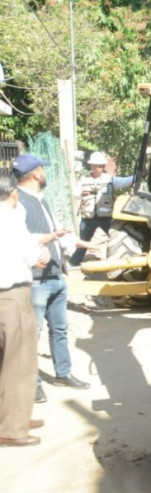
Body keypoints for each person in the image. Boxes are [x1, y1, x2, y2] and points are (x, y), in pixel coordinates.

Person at [13, 154, 92, 401]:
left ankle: (63, 373)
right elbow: (17, 239)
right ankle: (32, 383)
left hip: (55, 275)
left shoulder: (40, 201)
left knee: (59, 329)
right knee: (30, 335)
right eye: (42, 169)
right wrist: (48, 239)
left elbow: (60, 234)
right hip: (35, 279)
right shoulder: (16, 203)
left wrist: (90, 245)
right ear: (36, 173)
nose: (45, 173)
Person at [0, 172, 49, 447]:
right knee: (19, 363)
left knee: (5, 362)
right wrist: (40, 256)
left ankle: (12, 416)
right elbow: (35, 256)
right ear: (14, 195)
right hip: (12, 295)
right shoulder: (9, 218)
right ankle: (12, 428)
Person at [68, 151, 134, 266]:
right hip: (88, 217)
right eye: (96, 166)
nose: (98, 168)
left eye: (100, 166)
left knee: (115, 236)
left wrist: (137, 176)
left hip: (105, 217)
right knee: (83, 241)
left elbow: (124, 182)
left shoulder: (109, 179)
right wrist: (81, 194)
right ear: (91, 166)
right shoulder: (84, 179)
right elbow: (75, 193)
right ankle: (75, 262)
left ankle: (116, 259)